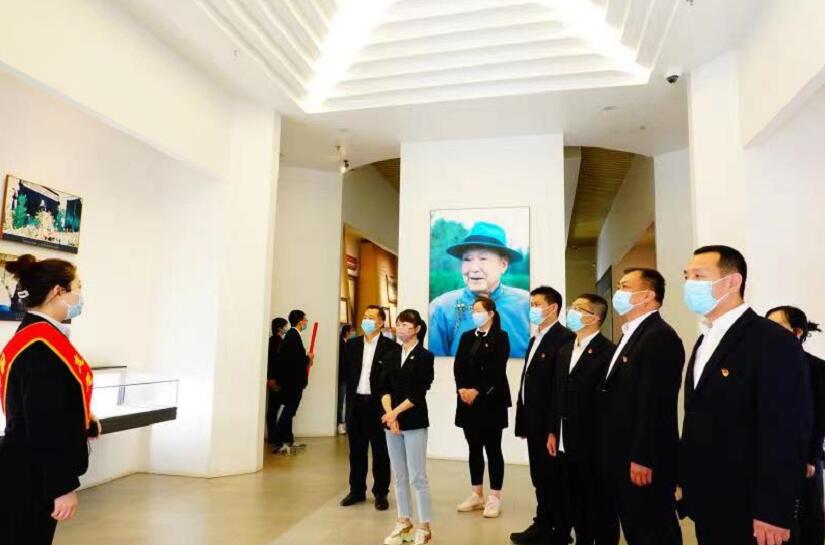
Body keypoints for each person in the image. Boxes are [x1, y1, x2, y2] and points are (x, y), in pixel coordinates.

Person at [680, 246, 811, 545]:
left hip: (752, 508)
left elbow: (786, 430)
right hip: (710, 499)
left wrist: (774, 510)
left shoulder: (772, 341)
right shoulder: (705, 339)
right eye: (686, 276)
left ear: (732, 281)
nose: (689, 284)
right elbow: (699, 417)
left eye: (699, 276)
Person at [0, 254, 101, 545]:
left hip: (25, 465)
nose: (80, 295)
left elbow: (46, 403)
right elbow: (44, 423)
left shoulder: (34, 335)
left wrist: (84, 419)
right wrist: (61, 486)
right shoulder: (41, 348)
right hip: (31, 473)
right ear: (58, 291)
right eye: (78, 287)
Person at [594, 268, 684, 545]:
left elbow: (656, 404)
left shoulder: (659, 337)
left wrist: (643, 457)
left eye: (625, 286)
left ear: (648, 296)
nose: (618, 293)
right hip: (621, 451)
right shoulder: (631, 334)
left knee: (653, 529)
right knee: (635, 526)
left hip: (642, 459)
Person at [547, 294, 616, 545]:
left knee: (600, 504)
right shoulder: (565, 350)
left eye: (579, 308)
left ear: (594, 317)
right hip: (565, 441)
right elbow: (556, 394)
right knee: (574, 500)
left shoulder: (607, 352)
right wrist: (553, 431)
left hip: (593, 444)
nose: (572, 311)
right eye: (572, 307)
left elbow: (609, 404)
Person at [511, 286, 575, 545]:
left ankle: (560, 531)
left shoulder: (564, 339)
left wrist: (553, 430)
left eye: (537, 304)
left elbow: (560, 389)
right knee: (540, 478)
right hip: (533, 422)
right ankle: (543, 523)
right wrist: (523, 421)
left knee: (554, 479)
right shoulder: (535, 338)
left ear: (553, 307)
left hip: (549, 426)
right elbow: (527, 382)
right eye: (531, 304)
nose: (532, 309)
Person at [766, 305, 825, 545]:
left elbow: (819, 417)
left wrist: (811, 456)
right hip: (770, 456)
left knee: (807, 519)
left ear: (797, 332)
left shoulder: (817, 367)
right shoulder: (763, 366)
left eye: (776, 326)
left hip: (804, 457)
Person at [429, 222, 530, 358]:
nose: (474, 268)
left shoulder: (526, 304)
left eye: (483, 259)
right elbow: (436, 363)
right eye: (467, 259)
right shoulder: (441, 308)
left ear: (503, 265)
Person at [380, 309, 435, 545]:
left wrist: (394, 413)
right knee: (399, 475)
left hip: (413, 422)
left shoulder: (425, 356)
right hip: (391, 423)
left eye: (406, 324)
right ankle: (404, 521)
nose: (401, 328)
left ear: (417, 328)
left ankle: (425, 526)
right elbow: (383, 387)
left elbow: (418, 393)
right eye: (399, 324)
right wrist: (390, 416)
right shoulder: (391, 354)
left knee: (417, 477)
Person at [453, 296, 512, 518]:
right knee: (474, 448)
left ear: (491, 313)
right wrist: (462, 389)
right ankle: (476, 494)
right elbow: (458, 366)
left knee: (493, 449)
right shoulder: (466, 336)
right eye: (473, 310)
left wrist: (477, 390)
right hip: (467, 402)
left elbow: (497, 370)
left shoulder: (501, 337)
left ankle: (494, 497)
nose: (474, 314)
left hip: (491, 402)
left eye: (479, 310)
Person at [340, 305, 398, 510]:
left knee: (380, 452)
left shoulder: (391, 348)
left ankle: (381, 493)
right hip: (356, 404)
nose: (366, 320)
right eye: (365, 316)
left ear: (381, 322)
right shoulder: (352, 345)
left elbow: (392, 381)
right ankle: (356, 490)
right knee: (356, 451)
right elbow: (345, 374)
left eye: (371, 317)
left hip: (378, 406)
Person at [272, 309, 314, 454]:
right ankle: (279, 441)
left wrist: (306, 359)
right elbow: (295, 361)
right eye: (305, 319)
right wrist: (308, 358)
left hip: (293, 382)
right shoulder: (293, 336)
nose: (306, 322)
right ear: (300, 321)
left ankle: (287, 440)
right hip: (293, 382)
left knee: (289, 411)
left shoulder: (293, 335)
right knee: (289, 411)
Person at [266, 317, 288, 445]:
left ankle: (273, 435)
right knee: (273, 408)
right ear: (279, 328)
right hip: (275, 380)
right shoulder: (277, 342)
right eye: (285, 326)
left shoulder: (274, 341)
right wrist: (273, 379)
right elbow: (274, 362)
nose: (286, 328)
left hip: (275, 379)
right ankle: (273, 436)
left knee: (274, 408)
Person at [338, 324, 354, 435]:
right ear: (347, 332)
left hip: (347, 377)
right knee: (341, 401)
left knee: (344, 401)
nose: (353, 333)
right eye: (352, 331)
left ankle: (344, 422)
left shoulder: (348, 343)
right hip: (342, 376)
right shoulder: (341, 343)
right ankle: (340, 422)